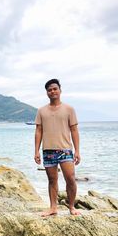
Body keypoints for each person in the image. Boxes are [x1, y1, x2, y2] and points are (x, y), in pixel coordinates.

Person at [34, 79, 81, 216]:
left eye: (55, 89)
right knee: (52, 180)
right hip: (48, 150)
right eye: (49, 90)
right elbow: (38, 131)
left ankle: (71, 207)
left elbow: (74, 130)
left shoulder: (69, 109)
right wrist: (36, 150)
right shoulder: (41, 111)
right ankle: (53, 208)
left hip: (65, 150)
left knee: (70, 179)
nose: (52, 91)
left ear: (60, 90)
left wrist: (77, 150)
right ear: (47, 93)